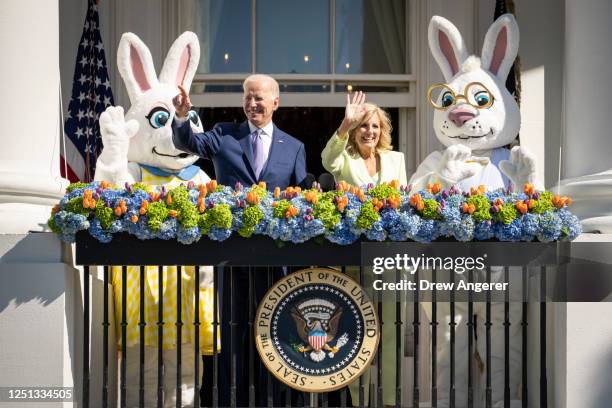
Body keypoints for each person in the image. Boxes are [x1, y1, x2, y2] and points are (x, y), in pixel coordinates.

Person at [171, 74, 307, 407]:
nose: (251, 104)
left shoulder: (294, 147)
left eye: (259, 98)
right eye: (247, 97)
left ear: (275, 102)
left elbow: (302, 201)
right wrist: (182, 117)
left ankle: (272, 400)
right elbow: (188, 143)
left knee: (273, 334)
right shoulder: (223, 135)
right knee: (233, 334)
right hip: (230, 257)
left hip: (274, 260)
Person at [322, 92, 408, 406]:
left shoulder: (396, 159)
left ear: (381, 129)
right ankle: (358, 400)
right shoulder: (344, 158)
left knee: (390, 332)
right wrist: (344, 124)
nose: (368, 131)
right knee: (356, 330)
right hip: (353, 259)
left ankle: (388, 400)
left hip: (387, 260)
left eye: (373, 126)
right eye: (362, 126)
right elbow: (326, 160)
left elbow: (404, 204)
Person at [321, 91, 407, 187]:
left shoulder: (397, 159)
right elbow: (328, 160)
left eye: (375, 126)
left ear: (381, 131)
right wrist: (346, 124)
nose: (370, 131)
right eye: (364, 125)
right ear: (354, 132)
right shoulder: (344, 159)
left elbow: (404, 198)